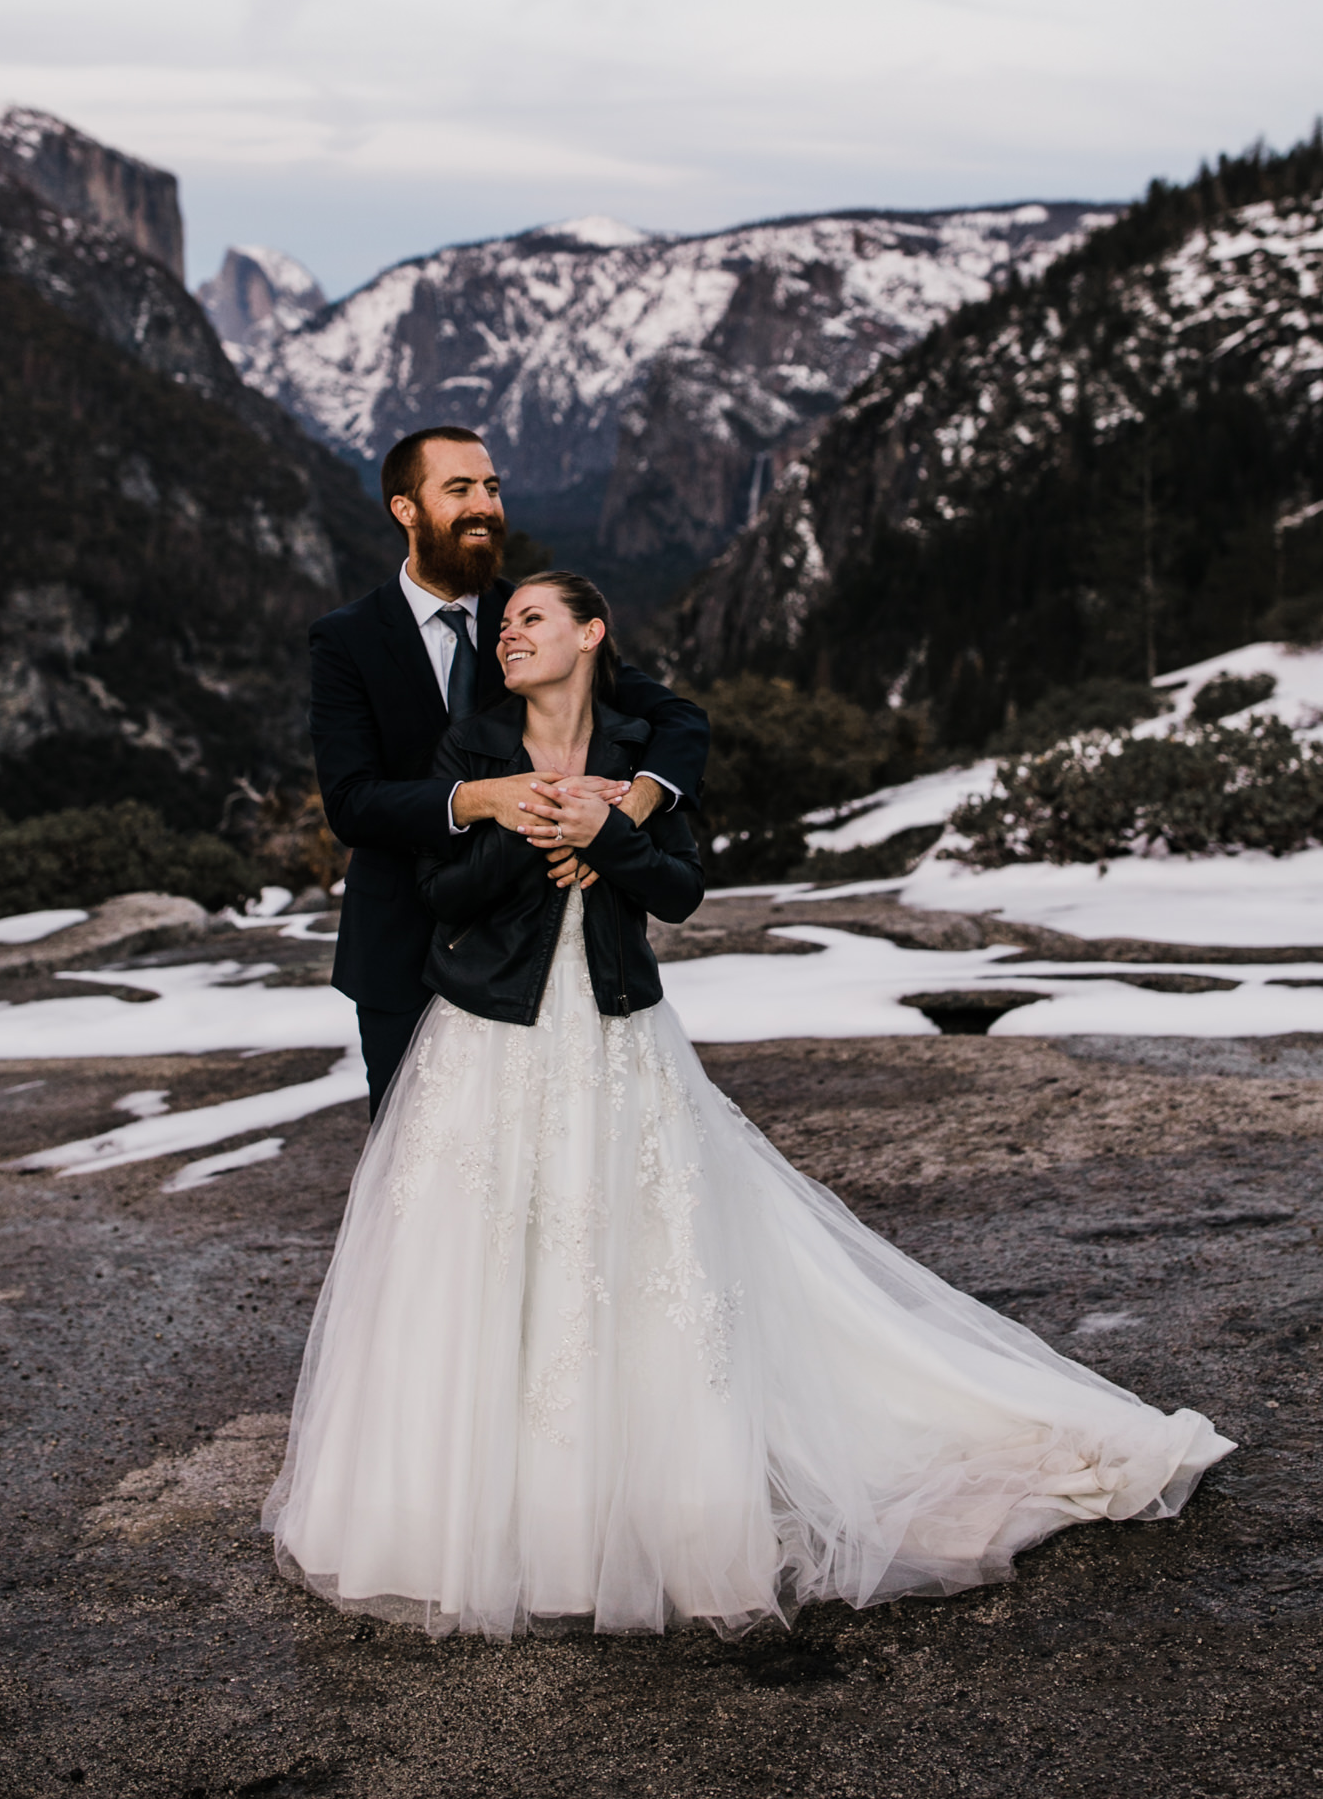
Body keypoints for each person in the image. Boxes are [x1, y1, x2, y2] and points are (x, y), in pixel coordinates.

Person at [265, 571, 1234, 1641]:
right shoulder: (471, 745)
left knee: (638, 1256)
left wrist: (610, 827)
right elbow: (444, 890)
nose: (509, 637)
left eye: (531, 619)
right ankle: (482, 1510)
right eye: (503, 626)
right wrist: (531, 829)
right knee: (478, 1258)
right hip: (489, 1039)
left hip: (618, 1033)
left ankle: (651, 1504)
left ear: (590, 633)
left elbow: (677, 889)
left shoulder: (644, 745)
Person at [307, 424, 710, 1117]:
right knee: (416, 1166)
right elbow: (351, 801)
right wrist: (480, 799)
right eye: (458, 488)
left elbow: (680, 721)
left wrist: (630, 812)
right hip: (400, 941)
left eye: (491, 488)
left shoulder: (538, 622)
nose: (484, 505)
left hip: (533, 944)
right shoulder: (345, 638)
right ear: (405, 509)